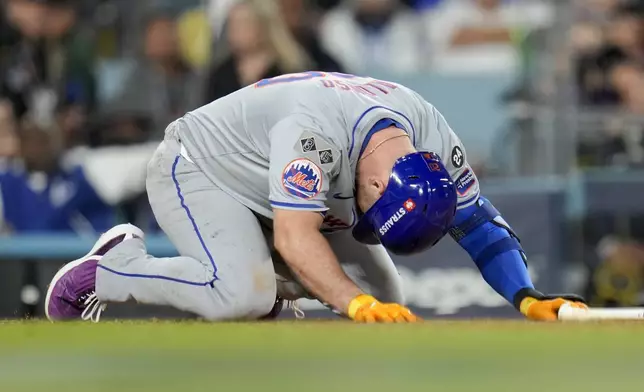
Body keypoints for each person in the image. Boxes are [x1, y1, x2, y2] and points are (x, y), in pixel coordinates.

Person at [45, 71, 587, 323]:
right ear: (376, 187)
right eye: (374, 217)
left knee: (386, 294)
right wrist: (346, 300)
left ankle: (260, 276)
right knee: (242, 297)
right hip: (203, 168)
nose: (369, 225)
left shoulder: (431, 137)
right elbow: (295, 233)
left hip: (278, 183)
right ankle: (113, 269)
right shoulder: (313, 135)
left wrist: (528, 297)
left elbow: (480, 227)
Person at [204, 0, 312, 103]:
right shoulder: (221, 73)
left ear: (262, 26)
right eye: (231, 25)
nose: (234, 31)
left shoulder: (286, 71)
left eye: (243, 24)